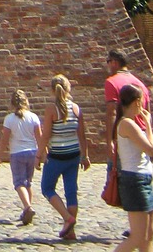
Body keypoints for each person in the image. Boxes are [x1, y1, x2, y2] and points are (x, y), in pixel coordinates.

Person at [36, 73, 90, 241]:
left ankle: (67, 218)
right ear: (69, 89)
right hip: (73, 155)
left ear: (52, 90)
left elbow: (46, 135)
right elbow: (82, 135)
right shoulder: (76, 108)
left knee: (47, 187)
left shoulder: (51, 109)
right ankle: (70, 232)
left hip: (57, 156)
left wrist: (39, 155)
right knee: (71, 192)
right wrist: (85, 156)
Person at [114, 82, 153, 252]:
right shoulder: (127, 124)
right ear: (137, 101)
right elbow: (151, 149)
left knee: (149, 234)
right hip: (135, 181)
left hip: (144, 179)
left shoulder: (132, 123)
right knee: (138, 237)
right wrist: (149, 124)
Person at [0, 89, 40, 225]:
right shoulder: (33, 117)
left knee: (19, 183)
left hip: (17, 153)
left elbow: (5, 139)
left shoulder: (9, 119)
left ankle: (27, 207)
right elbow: (40, 137)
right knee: (28, 182)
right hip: (32, 151)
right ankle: (27, 210)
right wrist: (43, 153)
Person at [107, 50, 152, 149]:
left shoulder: (111, 82)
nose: (108, 66)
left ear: (114, 62)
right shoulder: (140, 84)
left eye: (108, 61)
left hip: (125, 137)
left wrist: (109, 141)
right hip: (142, 134)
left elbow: (112, 113)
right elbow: (147, 112)